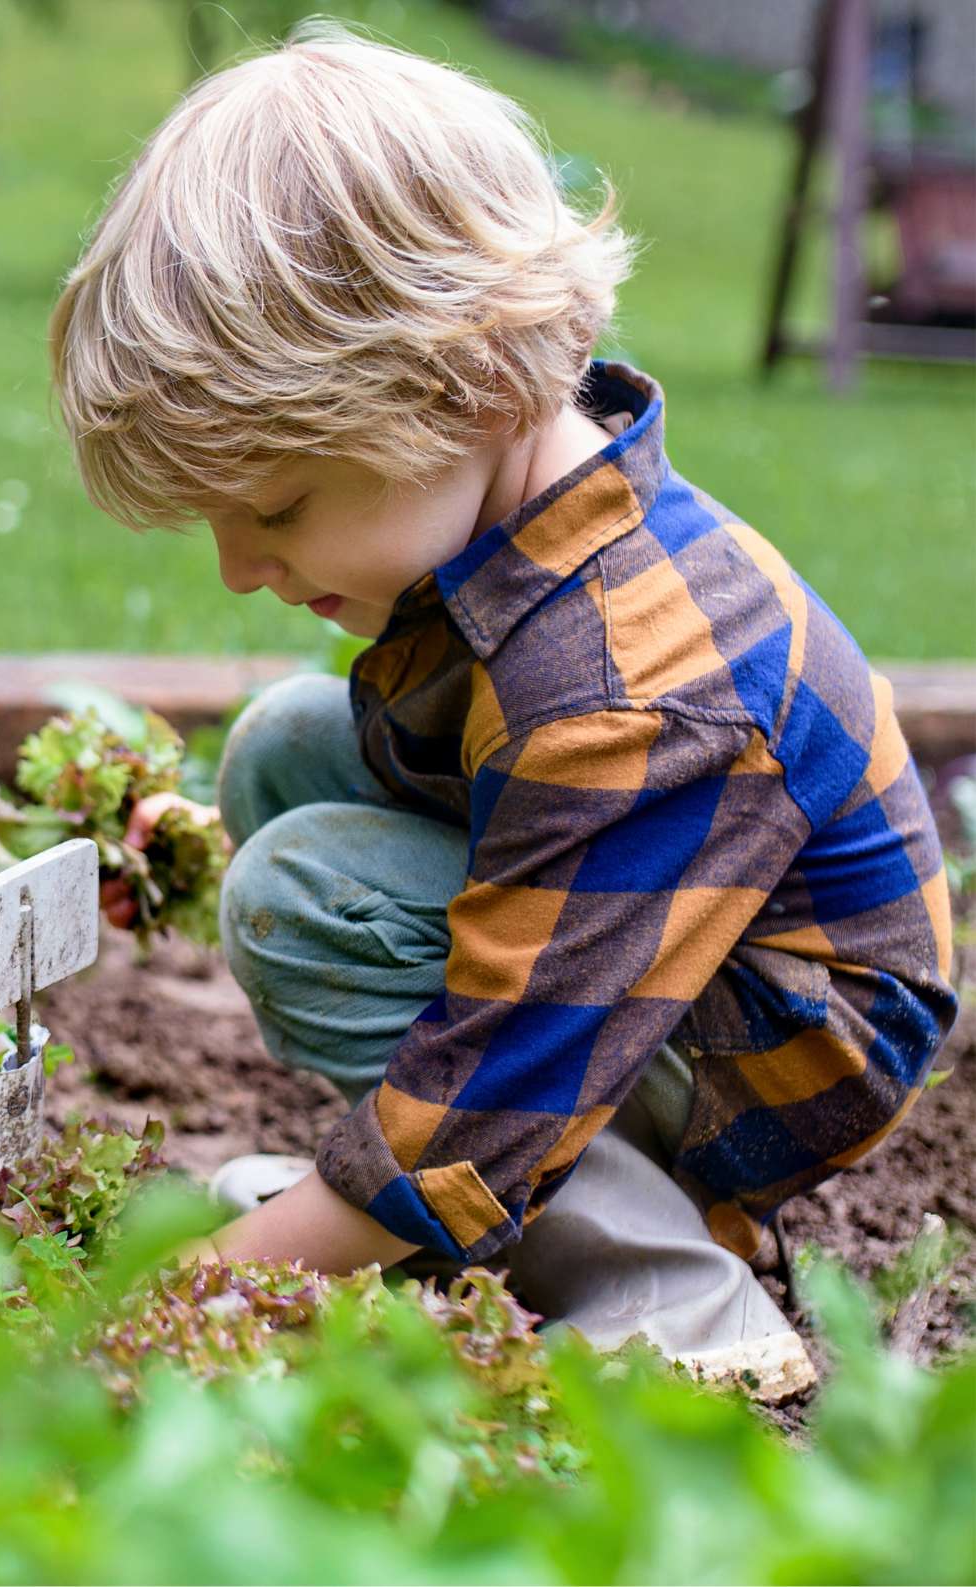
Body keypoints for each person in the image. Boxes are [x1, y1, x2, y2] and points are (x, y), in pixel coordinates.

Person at [49, 25, 958, 1394]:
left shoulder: (628, 690)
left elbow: (515, 1051)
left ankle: (667, 1292)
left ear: (464, 383)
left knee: (301, 898)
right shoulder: (523, 513)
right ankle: (457, 1207)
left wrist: (204, 1290)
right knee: (287, 754)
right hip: (683, 970)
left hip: (773, 1056)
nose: (238, 570)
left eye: (275, 508)